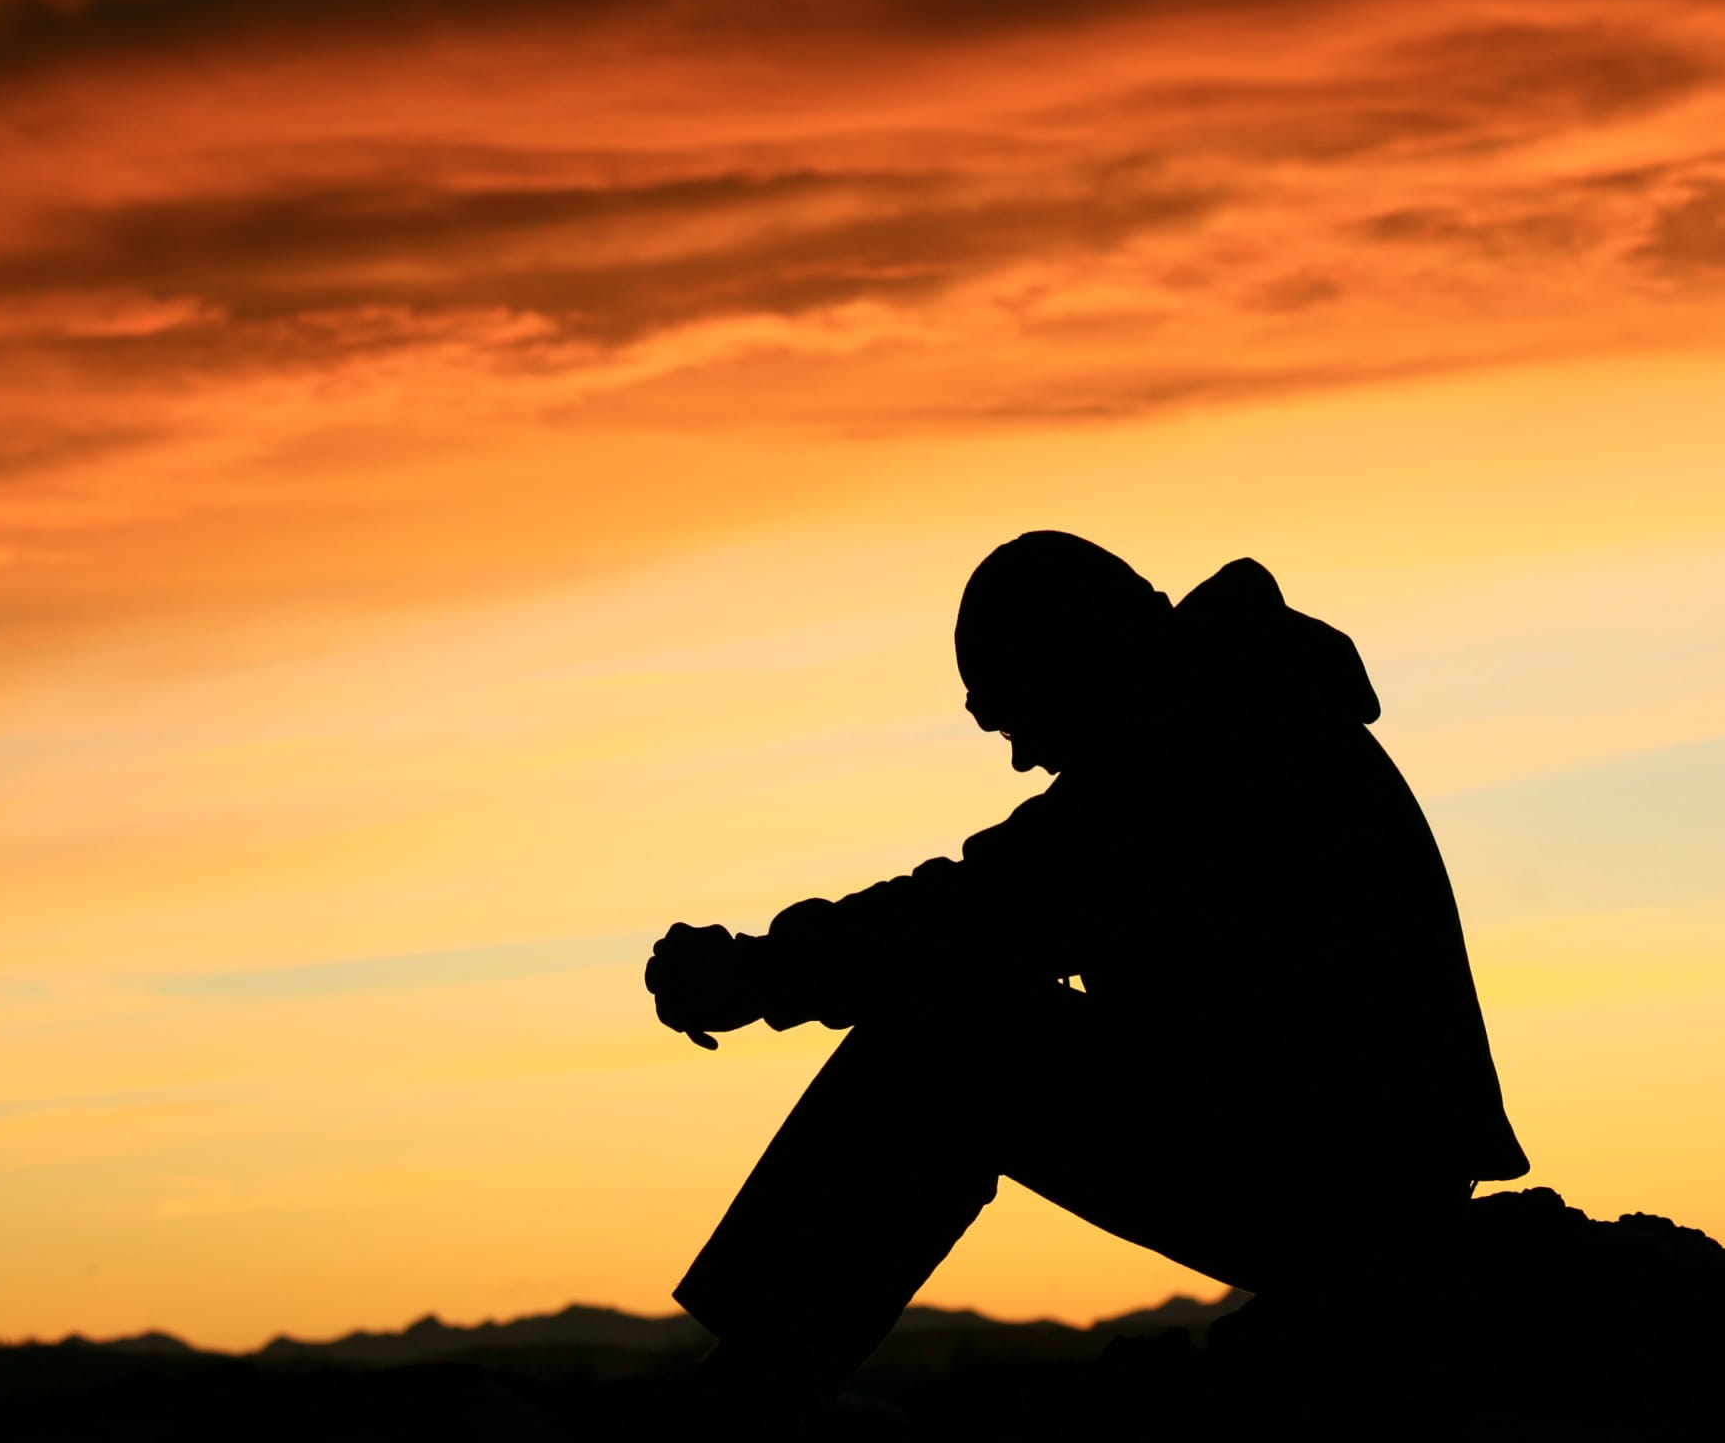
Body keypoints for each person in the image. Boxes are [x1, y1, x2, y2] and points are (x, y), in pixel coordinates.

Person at [644, 531, 1528, 1416]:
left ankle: (752, 1392)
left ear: (1071, 660)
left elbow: (981, 914)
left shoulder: (1207, 743)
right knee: (958, 1021)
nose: (1024, 757)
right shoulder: (1230, 710)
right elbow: (1003, 907)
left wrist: (758, 974)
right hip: (1343, 1162)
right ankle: (758, 1370)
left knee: (948, 1042)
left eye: (1012, 714)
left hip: (1348, 1193)